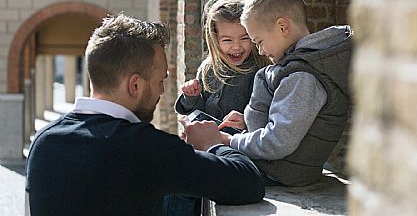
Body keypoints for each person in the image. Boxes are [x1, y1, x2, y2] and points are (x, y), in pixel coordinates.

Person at [25, 14, 265, 216]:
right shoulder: (144, 146)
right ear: (135, 85)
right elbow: (248, 183)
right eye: (160, 80)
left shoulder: (44, 141)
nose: (162, 90)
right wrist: (214, 144)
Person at [219, 0, 353, 186]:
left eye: (259, 41)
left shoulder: (303, 76)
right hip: (278, 166)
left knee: (196, 168)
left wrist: (229, 141)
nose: (261, 51)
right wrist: (247, 122)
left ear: (283, 28)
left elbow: (278, 142)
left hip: (281, 172)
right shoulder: (301, 66)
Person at [164, 0, 270, 216]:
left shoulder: (261, 70)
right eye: (227, 40)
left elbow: (270, 116)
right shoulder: (208, 69)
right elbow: (199, 111)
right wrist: (191, 97)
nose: (237, 47)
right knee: (172, 175)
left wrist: (246, 120)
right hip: (210, 150)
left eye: (244, 38)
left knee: (184, 180)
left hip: (241, 153)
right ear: (214, 39)